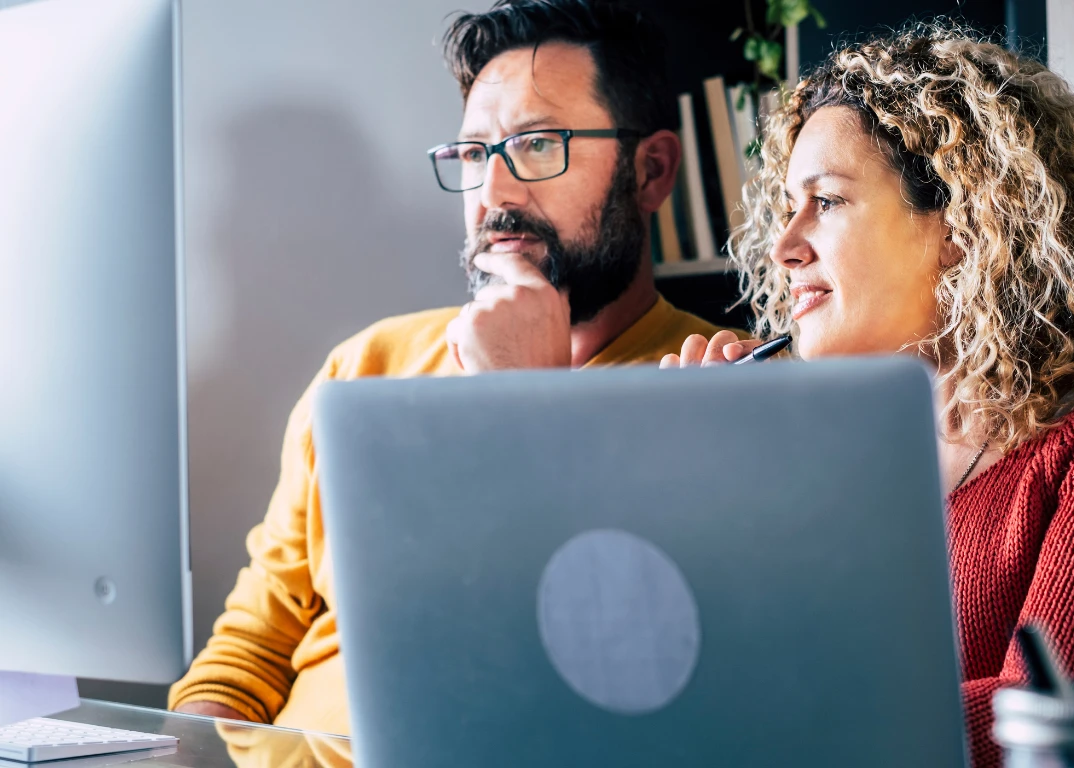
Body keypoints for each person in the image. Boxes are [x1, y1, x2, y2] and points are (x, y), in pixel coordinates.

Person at [664, 26, 1074, 768]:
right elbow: (716, 678)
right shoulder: (834, 464)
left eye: (828, 203)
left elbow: (1054, 736)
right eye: (788, 206)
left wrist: (773, 727)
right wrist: (693, 486)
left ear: (962, 228)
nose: (784, 246)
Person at [169, 0, 733, 733]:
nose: (494, 195)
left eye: (538, 145)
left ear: (650, 171)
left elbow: (605, 697)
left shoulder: (715, 393)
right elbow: (247, 652)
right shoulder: (365, 365)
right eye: (473, 154)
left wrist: (522, 404)